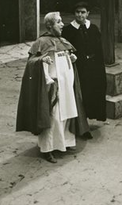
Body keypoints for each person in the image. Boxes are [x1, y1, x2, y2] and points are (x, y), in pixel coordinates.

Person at [16, 12, 91, 163]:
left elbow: (64, 57)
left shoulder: (62, 40)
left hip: (66, 86)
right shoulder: (41, 42)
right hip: (53, 87)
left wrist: (71, 58)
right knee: (52, 118)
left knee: (67, 116)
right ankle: (47, 149)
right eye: (59, 22)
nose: (63, 24)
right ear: (50, 25)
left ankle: (66, 143)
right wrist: (41, 60)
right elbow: (32, 62)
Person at [62, 2, 107, 122]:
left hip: (93, 66)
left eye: (83, 12)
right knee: (80, 91)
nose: (80, 15)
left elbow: (98, 49)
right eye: (77, 12)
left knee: (93, 90)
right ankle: (79, 121)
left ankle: (91, 115)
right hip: (78, 66)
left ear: (88, 13)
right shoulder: (68, 30)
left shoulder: (93, 28)